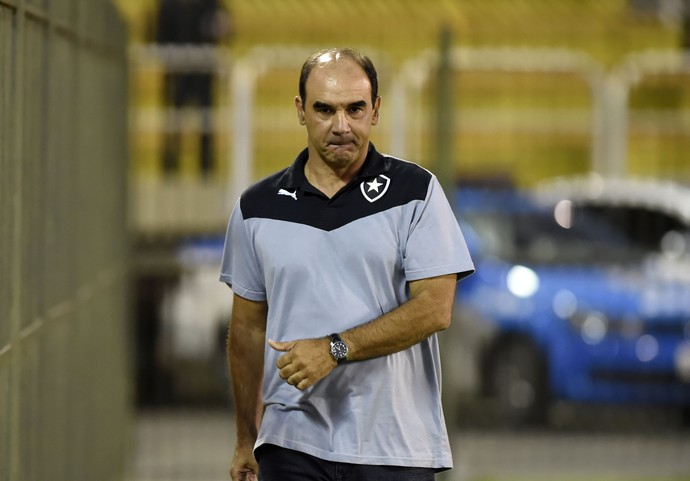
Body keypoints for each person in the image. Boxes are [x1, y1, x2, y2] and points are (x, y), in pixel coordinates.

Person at [219, 47, 475, 481]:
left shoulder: (416, 192)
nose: (341, 126)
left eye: (355, 109)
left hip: (393, 446)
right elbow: (246, 328)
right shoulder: (256, 207)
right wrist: (246, 438)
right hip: (290, 442)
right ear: (301, 111)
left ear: (375, 110)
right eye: (325, 109)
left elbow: (436, 308)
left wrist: (334, 349)